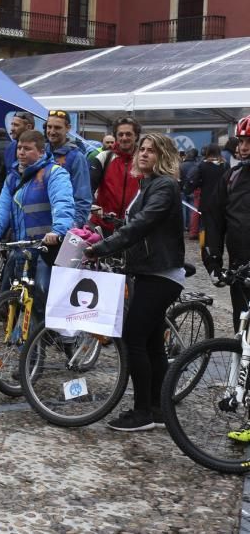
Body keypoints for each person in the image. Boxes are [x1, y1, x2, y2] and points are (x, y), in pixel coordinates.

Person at [86, 133, 185, 432]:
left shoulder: (164, 185)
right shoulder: (149, 185)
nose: (144, 154)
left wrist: (101, 248)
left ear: (163, 156)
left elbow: (144, 224)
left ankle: (142, 411)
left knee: (133, 339)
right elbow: (137, 224)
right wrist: (110, 224)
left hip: (160, 274)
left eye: (151, 151)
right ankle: (157, 409)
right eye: (142, 149)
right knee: (153, 344)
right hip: (149, 271)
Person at [0, 129, 74, 333]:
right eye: (19, 148)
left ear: (41, 152)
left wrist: (58, 230)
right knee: (10, 291)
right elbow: (1, 211)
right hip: (22, 246)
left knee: (41, 293)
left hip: (47, 248)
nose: (21, 152)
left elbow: (63, 204)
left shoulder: (54, 173)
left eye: (27, 148)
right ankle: (19, 337)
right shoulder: (13, 178)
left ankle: (43, 344)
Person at [203, 116, 250, 333]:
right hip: (240, 270)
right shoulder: (232, 176)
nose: (244, 147)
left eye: (249, 141)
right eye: (241, 141)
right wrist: (213, 261)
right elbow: (214, 220)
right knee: (241, 332)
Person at [89, 117, 141, 235]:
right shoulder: (104, 157)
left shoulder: (143, 160)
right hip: (103, 225)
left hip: (134, 227)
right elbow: (89, 188)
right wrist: (94, 207)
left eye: (128, 134)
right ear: (116, 136)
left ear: (136, 136)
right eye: (120, 134)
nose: (124, 138)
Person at [45, 109, 92, 228]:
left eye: (57, 127)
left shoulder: (76, 157)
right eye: (49, 127)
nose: (52, 131)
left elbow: (83, 198)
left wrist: (74, 226)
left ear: (68, 128)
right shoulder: (40, 152)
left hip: (63, 226)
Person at [0, 111, 35, 213]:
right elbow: (1, 177)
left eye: (16, 125)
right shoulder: (9, 148)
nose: (12, 128)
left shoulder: (39, 149)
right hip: (8, 204)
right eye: (12, 124)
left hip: (29, 207)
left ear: (28, 127)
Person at [185, 143, 226, 240]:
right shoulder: (225, 165)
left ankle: (205, 247)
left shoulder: (203, 165)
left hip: (206, 201)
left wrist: (188, 189)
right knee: (219, 225)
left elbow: (195, 180)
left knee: (205, 227)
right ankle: (218, 244)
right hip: (221, 200)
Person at [179, 148, 199, 232]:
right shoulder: (197, 164)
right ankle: (191, 227)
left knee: (183, 208)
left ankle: (183, 226)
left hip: (182, 189)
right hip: (193, 189)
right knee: (192, 208)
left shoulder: (181, 165)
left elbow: (179, 178)